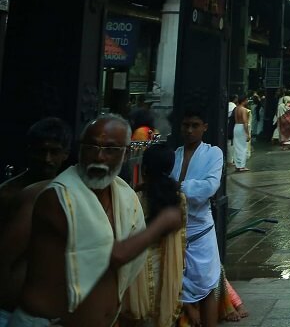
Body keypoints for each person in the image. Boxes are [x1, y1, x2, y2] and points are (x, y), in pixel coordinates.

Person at [16, 115, 182, 327]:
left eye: (110, 149)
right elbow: (113, 255)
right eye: (91, 147)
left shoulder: (123, 195)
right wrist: (162, 223)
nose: (99, 156)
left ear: (125, 153)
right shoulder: (59, 196)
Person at [0, 118, 71, 322]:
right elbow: (4, 258)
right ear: (30, 151)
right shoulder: (9, 194)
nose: (47, 159)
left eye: (54, 152)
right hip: (10, 310)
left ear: (65, 154)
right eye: (41, 151)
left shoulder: (69, 193)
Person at [173, 103, 224, 327]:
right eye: (186, 125)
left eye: (195, 126)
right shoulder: (174, 155)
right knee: (176, 281)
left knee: (207, 285)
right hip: (175, 228)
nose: (189, 130)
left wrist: (177, 186)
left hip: (200, 229)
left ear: (204, 128)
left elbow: (209, 188)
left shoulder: (213, 153)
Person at [129, 144, 186, 327]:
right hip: (168, 267)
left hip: (140, 270)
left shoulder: (135, 198)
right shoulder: (178, 198)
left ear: (144, 169)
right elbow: (183, 238)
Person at [231, 95, 251, 173]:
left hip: (236, 127)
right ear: (244, 100)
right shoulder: (244, 110)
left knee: (237, 146)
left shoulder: (236, 109)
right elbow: (245, 122)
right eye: (246, 100)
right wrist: (247, 133)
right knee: (243, 147)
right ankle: (242, 165)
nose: (247, 102)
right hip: (242, 127)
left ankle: (237, 165)